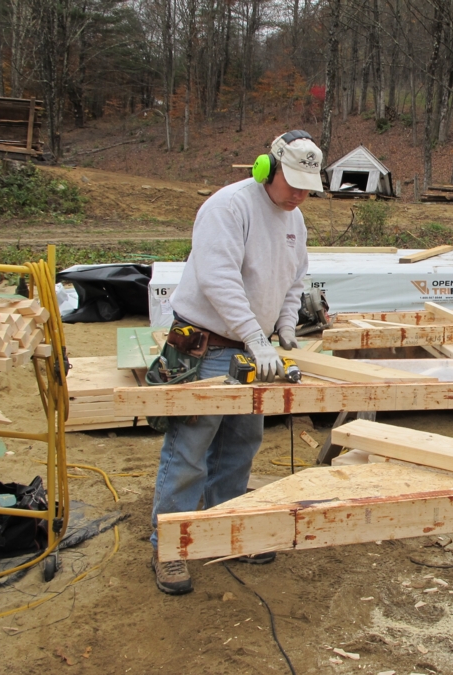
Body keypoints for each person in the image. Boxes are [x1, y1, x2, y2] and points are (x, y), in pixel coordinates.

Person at [150, 130, 323, 594]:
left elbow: (293, 280)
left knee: (241, 445)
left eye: (308, 186)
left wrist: (284, 329)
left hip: (253, 349)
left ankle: (225, 530)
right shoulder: (228, 207)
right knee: (189, 450)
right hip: (206, 345)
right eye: (293, 183)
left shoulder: (295, 219)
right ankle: (171, 547)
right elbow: (217, 278)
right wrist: (254, 337)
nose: (300, 194)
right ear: (267, 168)